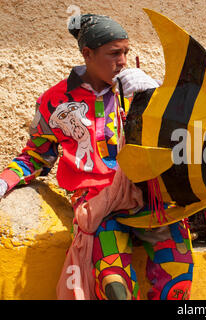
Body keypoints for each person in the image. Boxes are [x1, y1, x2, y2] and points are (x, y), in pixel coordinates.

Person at [0, 14, 193, 300]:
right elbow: (36, 155)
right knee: (113, 285)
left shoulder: (137, 88)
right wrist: (4, 182)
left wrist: (155, 98)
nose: (123, 61)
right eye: (114, 53)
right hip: (98, 206)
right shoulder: (55, 101)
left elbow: (178, 142)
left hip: (152, 199)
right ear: (87, 54)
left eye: (126, 51)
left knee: (177, 280)